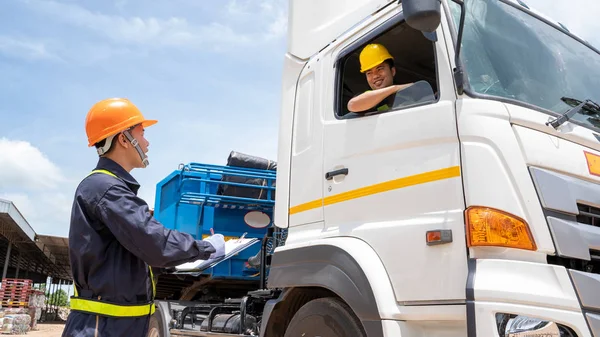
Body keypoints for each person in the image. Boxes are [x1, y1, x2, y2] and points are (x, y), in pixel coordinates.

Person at [62, 98, 226, 337]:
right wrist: (206, 248)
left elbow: (131, 258)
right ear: (123, 139)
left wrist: (174, 263)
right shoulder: (107, 188)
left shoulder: (108, 188)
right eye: (142, 133)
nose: (147, 143)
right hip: (103, 328)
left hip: (113, 326)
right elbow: (154, 243)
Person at [347, 43, 415, 113]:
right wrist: (395, 88)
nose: (375, 76)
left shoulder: (408, 95)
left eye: (380, 69)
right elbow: (352, 105)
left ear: (392, 71)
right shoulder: (366, 98)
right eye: (369, 73)